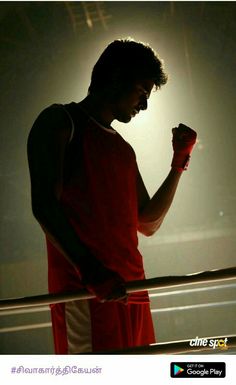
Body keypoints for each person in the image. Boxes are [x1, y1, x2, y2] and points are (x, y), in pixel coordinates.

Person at [27, 38, 197, 354]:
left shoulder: (123, 150)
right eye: (142, 93)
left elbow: (147, 222)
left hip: (134, 290)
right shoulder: (60, 122)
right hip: (87, 291)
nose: (144, 105)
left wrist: (179, 162)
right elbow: (44, 205)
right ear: (116, 77)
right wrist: (89, 269)